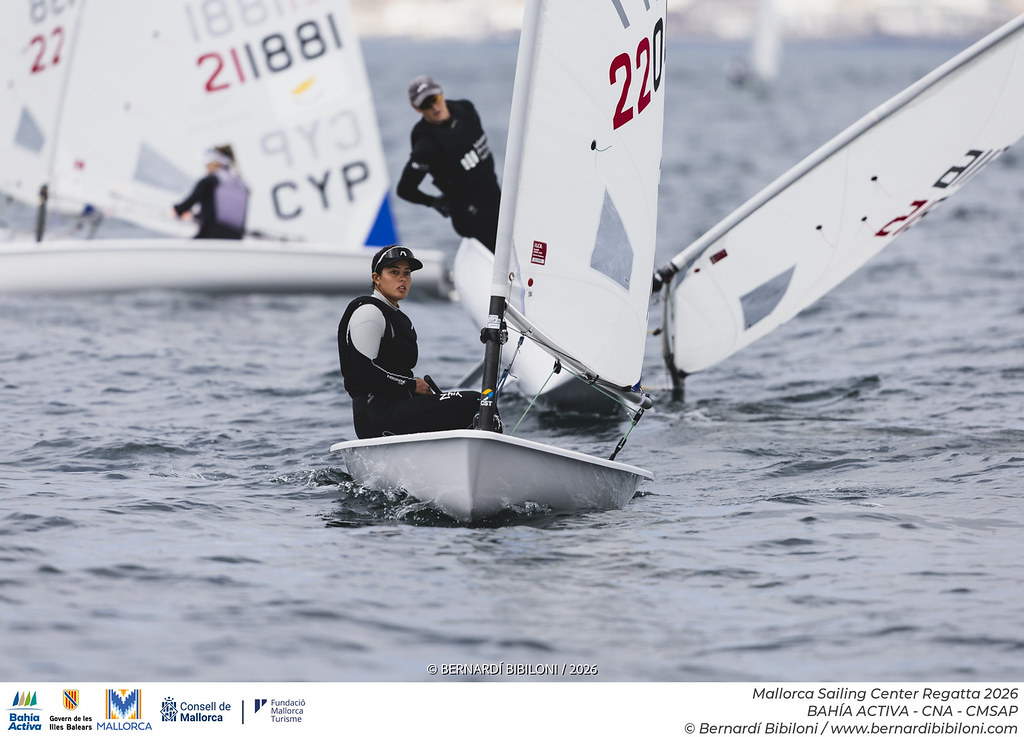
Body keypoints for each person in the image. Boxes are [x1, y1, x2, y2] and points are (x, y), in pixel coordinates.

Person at [338, 245, 485, 439]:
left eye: (407, 273)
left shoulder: (396, 316)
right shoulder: (369, 312)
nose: (402, 279)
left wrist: (413, 391)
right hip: (375, 415)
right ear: (376, 278)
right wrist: (410, 385)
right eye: (394, 272)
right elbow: (363, 372)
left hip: (397, 407)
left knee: (479, 404)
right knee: (476, 402)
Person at [396, 75, 501, 252]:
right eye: (425, 104)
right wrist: (434, 202)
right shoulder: (426, 146)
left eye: (435, 99)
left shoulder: (466, 109)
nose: (434, 107)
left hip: (496, 197)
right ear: (417, 109)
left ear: (441, 93)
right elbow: (405, 189)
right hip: (471, 215)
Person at [173, 144, 249, 239]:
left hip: (210, 237)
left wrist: (176, 210)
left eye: (207, 162)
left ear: (216, 163)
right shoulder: (242, 186)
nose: (206, 166)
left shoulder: (209, 181)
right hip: (236, 239)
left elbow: (188, 203)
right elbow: (223, 209)